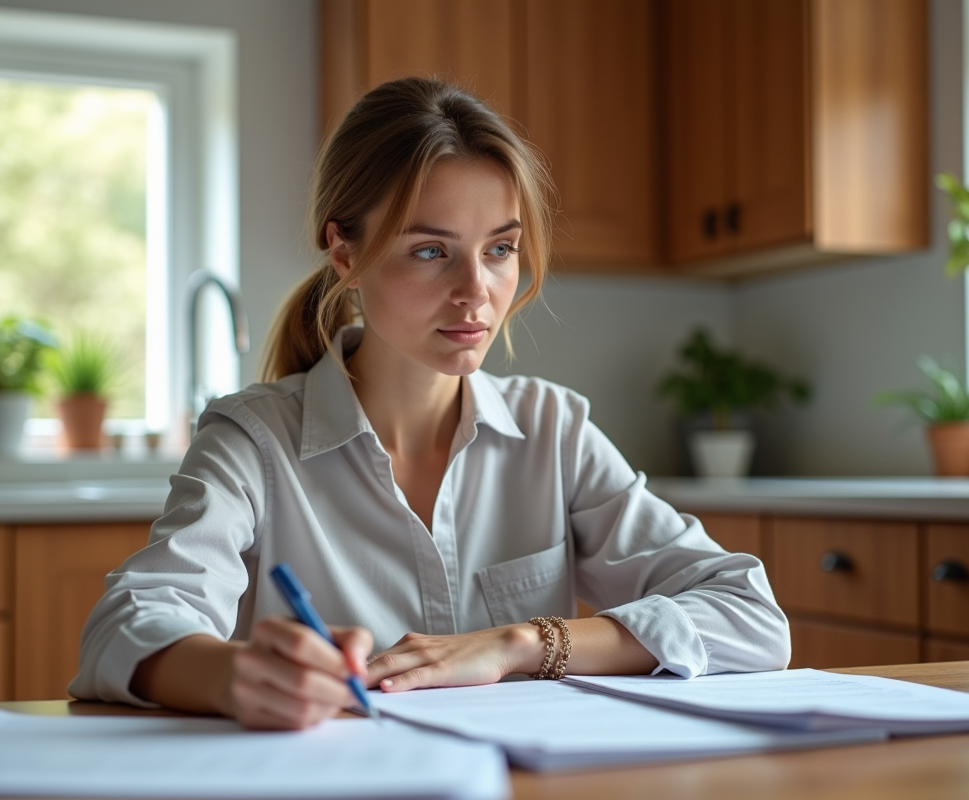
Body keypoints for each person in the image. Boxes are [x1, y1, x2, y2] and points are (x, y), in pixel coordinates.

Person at [69, 77, 791, 730]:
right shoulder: (252, 438)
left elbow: (750, 615)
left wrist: (522, 644)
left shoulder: (554, 429)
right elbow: (125, 624)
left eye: (500, 249)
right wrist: (234, 674)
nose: (476, 290)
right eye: (429, 251)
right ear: (344, 254)